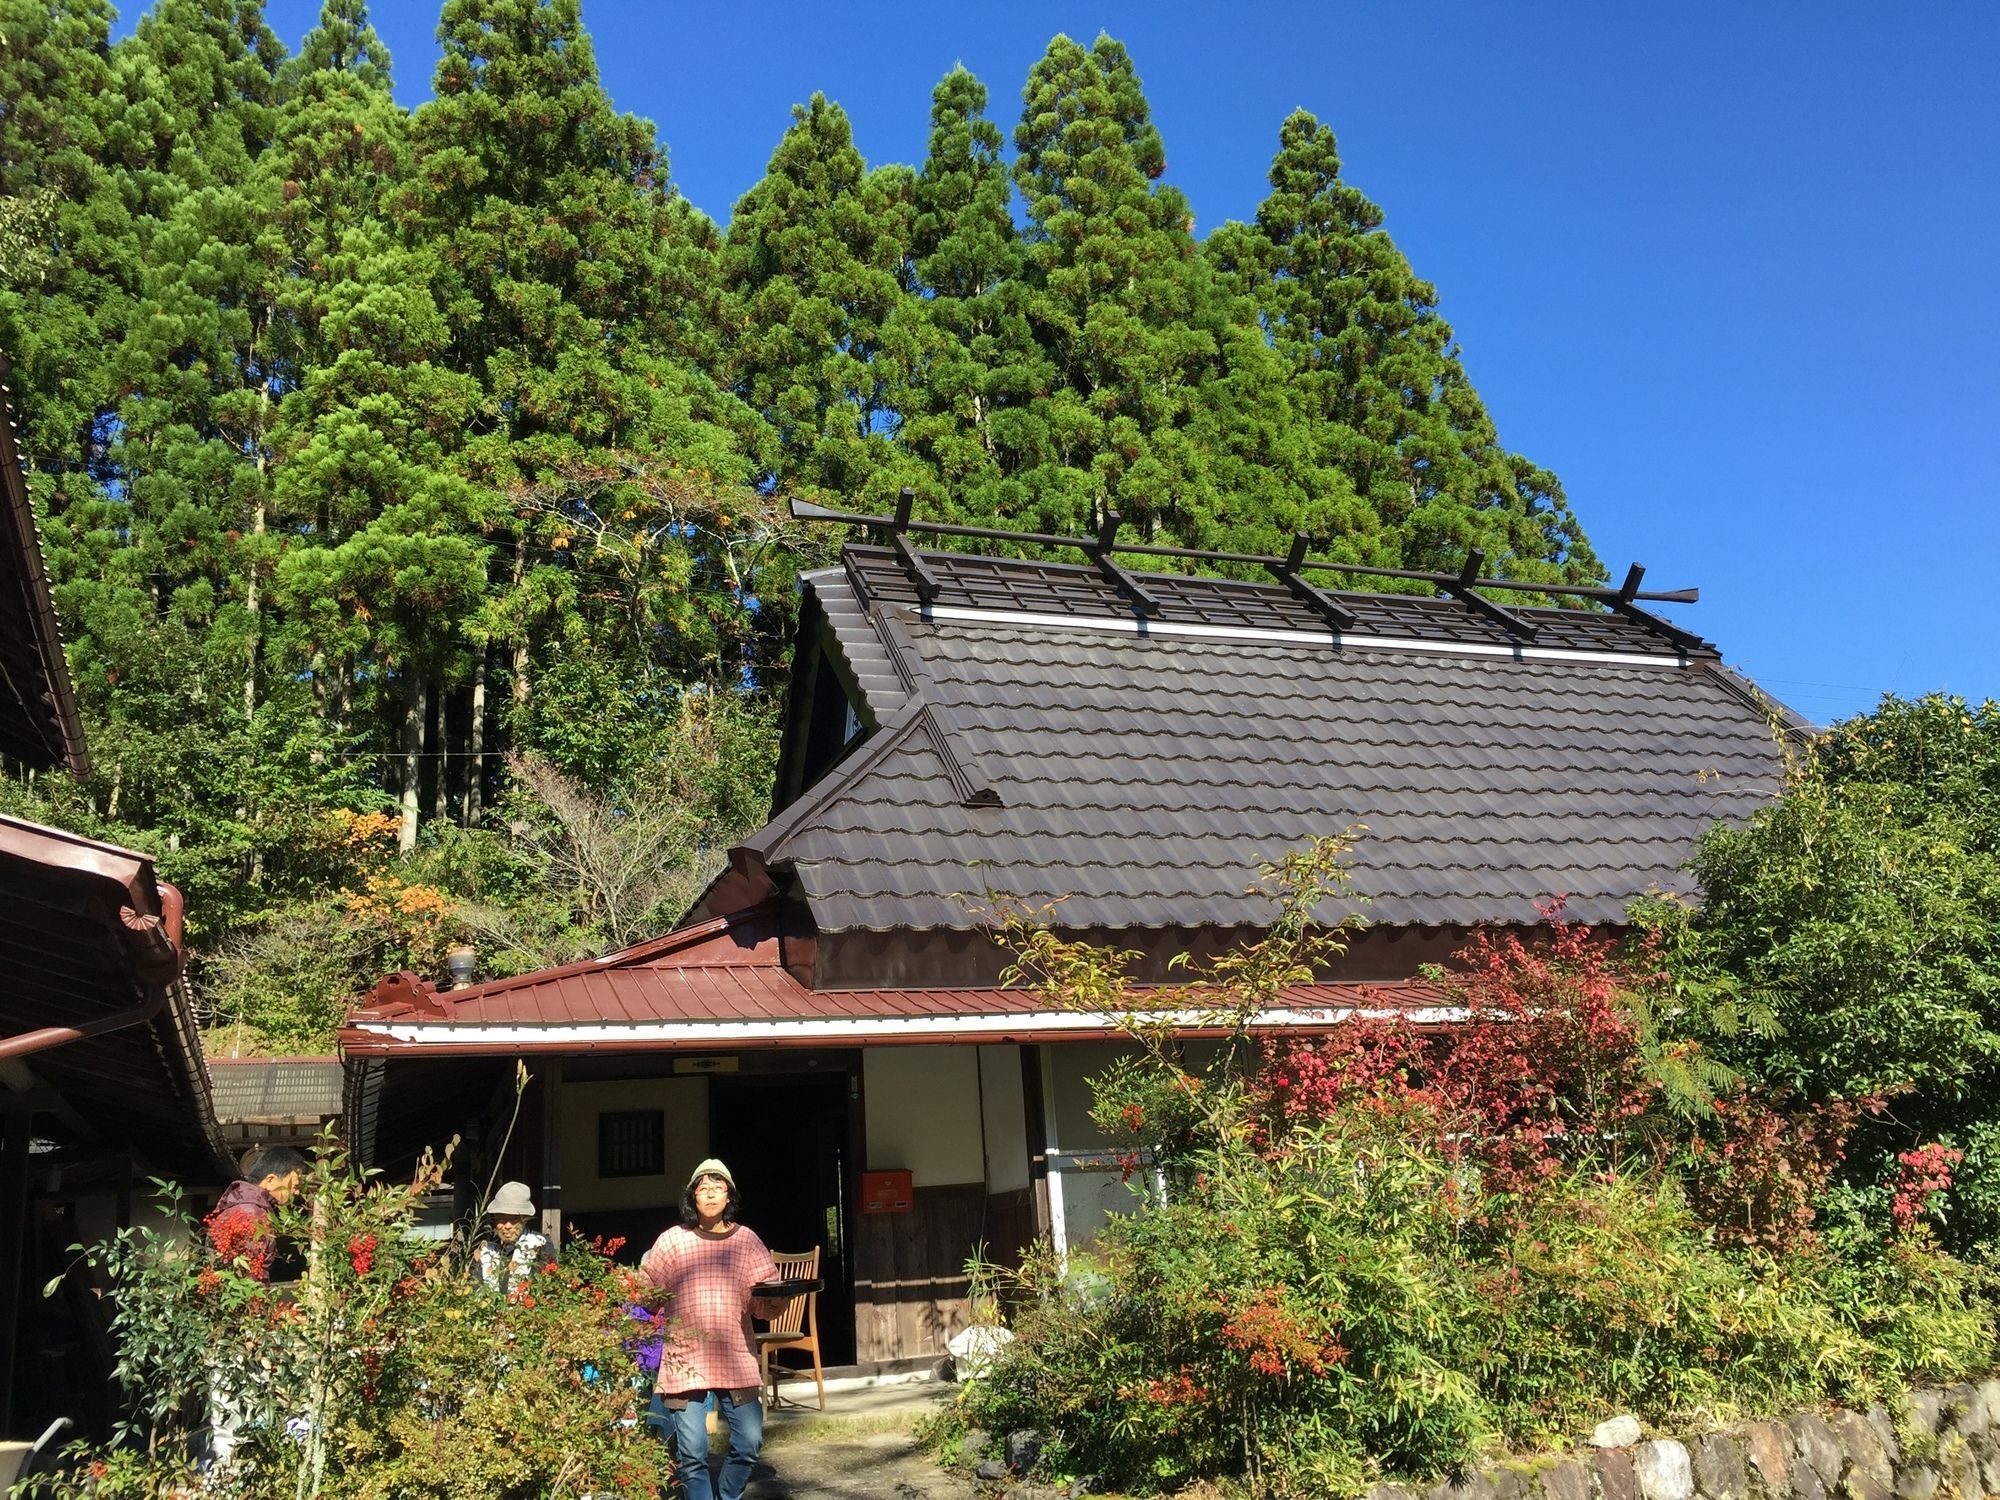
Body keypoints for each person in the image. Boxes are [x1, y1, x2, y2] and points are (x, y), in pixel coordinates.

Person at [639, 1159, 789, 1500]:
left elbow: (764, 1301)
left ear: (729, 1196)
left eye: (718, 1187)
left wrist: (778, 1301)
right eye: (703, 1188)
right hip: (685, 1361)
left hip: (736, 1358)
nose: (710, 1194)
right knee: (692, 1456)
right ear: (692, 1197)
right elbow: (648, 1296)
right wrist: (632, 1285)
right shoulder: (672, 1241)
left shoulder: (747, 1240)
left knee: (750, 1443)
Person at [206, 1145, 308, 1283]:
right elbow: (249, 1276)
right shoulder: (251, 1214)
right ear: (270, 1181)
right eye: (295, 1186)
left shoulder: (244, 1208)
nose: (297, 1193)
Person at [469, 1180, 553, 1294]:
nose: (507, 1226)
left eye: (514, 1219)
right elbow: (474, 1288)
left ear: (525, 1219)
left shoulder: (540, 1244)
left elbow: (545, 1287)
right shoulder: (486, 1250)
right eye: (501, 1218)